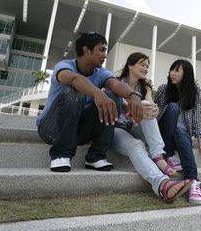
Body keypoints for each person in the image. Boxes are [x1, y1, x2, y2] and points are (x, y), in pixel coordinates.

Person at [36, 32, 143, 173]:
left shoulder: (100, 72)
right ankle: (61, 154)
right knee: (73, 92)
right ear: (87, 50)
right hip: (51, 129)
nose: (105, 55)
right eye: (102, 50)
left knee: (113, 96)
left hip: (78, 132)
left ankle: (96, 156)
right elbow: (74, 79)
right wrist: (97, 93)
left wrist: (134, 95)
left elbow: (115, 85)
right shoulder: (64, 66)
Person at [111, 52, 192, 203]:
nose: (146, 68)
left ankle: (157, 154)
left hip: (135, 127)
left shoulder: (145, 87)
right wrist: (132, 106)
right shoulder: (114, 82)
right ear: (130, 65)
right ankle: (162, 185)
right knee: (137, 145)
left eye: (147, 66)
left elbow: (149, 103)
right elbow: (119, 102)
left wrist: (154, 109)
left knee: (145, 105)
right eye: (142, 64)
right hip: (116, 130)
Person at [155, 59, 201, 204]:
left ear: (186, 74)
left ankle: (193, 182)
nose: (172, 73)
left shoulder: (195, 93)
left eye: (177, 70)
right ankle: (169, 154)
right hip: (164, 133)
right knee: (173, 108)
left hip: (181, 135)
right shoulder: (163, 89)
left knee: (180, 130)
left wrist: (200, 144)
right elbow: (155, 113)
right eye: (171, 70)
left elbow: (197, 118)